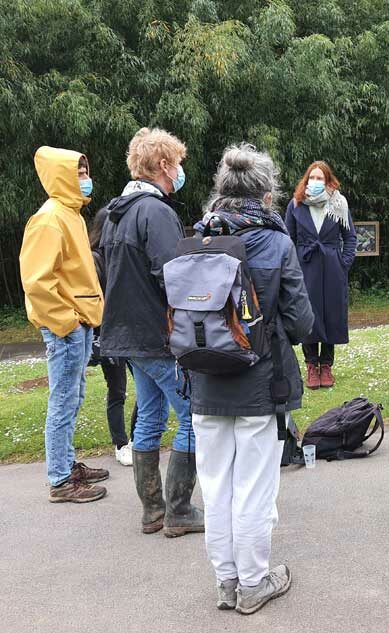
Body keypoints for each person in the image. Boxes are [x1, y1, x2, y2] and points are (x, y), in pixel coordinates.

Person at [191, 144, 314, 614]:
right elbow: (301, 323)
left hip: (204, 381)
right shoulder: (276, 241)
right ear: (267, 193)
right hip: (260, 385)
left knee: (216, 485)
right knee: (254, 489)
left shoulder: (199, 237)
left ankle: (226, 582)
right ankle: (254, 582)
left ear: (221, 191)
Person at [99, 127, 203, 537]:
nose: (179, 171)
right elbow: (172, 276)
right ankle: (178, 510)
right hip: (157, 335)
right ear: (163, 165)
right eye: (177, 163)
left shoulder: (116, 212)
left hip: (126, 334)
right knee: (193, 417)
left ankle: (153, 511)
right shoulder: (155, 211)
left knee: (150, 417)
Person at [19, 147, 109, 502]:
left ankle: (67, 465)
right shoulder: (49, 218)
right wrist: (66, 323)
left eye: (85, 171)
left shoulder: (71, 214)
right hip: (68, 324)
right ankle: (60, 481)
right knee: (62, 401)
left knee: (73, 397)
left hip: (81, 320)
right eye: (79, 172)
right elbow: (38, 281)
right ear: (61, 175)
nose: (85, 179)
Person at [284, 161, 356, 390]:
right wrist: (292, 268)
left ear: (328, 181)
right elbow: (287, 239)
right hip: (305, 267)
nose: (315, 182)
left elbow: (351, 237)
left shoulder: (339, 204)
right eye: (312, 178)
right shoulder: (296, 205)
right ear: (306, 180)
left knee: (330, 314)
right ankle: (311, 366)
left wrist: (343, 263)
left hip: (333, 267)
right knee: (309, 315)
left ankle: (326, 366)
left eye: (320, 178)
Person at [88, 207, 136, 467]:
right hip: (109, 336)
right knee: (117, 390)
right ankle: (121, 443)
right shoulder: (95, 260)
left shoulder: (124, 255)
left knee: (149, 387)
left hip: (132, 331)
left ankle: (139, 437)